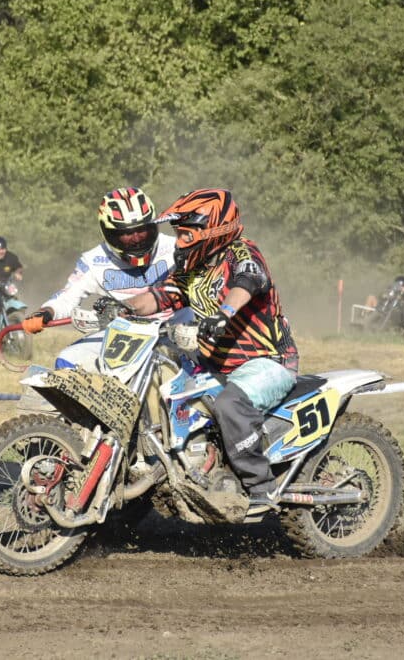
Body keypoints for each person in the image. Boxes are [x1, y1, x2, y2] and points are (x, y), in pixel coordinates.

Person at [122, 188, 298, 511]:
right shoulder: (192, 269)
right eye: (178, 233)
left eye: (186, 234)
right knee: (171, 392)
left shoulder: (242, 253)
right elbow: (160, 296)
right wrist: (122, 307)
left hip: (268, 361)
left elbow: (248, 281)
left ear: (213, 231)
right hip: (217, 366)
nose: (179, 242)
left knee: (230, 405)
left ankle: (261, 487)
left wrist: (223, 314)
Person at [21, 187, 176, 368]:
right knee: (66, 361)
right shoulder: (93, 261)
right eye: (127, 233)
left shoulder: (175, 247)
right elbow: (67, 297)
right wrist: (47, 312)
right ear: (109, 233)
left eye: (142, 230)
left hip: (174, 327)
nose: (137, 239)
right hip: (126, 334)